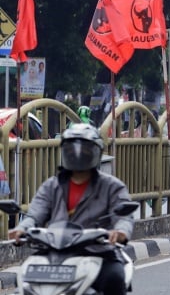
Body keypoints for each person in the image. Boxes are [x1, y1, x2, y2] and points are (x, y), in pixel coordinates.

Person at [8, 123, 133, 295]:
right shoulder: (52, 185)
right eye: (72, 150)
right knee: (23, 280)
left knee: (114, 278)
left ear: (96, 153)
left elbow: (124, 216)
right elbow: (35, 214)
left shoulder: (111, 186)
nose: (78, 154)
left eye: (85, 150)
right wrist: (21, 229)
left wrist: (120, 231)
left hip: (97, 251)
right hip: (54, 251)